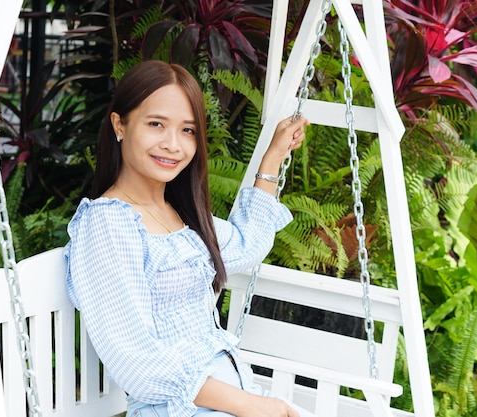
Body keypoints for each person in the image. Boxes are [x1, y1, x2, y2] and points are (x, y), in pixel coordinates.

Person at [64, 60, 310, 417]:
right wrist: (257, 406)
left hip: (229, 399)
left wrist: (272, 158)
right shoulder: (106, 224)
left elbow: (247, 246)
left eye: (188, 130)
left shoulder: (180, 216)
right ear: (120, 124)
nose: (173, 145)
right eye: (156, 125)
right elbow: (137, 359)